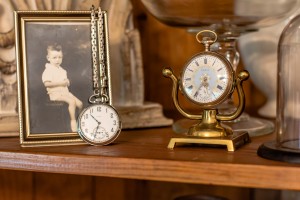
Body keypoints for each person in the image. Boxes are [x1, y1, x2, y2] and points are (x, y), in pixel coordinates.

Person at [42, 43, 82, 132]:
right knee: (72, 102)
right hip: (55, 94)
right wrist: (61, 83)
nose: (57, 60)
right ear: (48, 58)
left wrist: (67, 82)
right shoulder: (48, 70)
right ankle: (73, 121)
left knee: (80, 104)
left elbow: (65, 82)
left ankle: (81, 121)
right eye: (54, 57)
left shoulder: (62, 70)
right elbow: (47, 84)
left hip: (65, 92)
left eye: (60, 57)